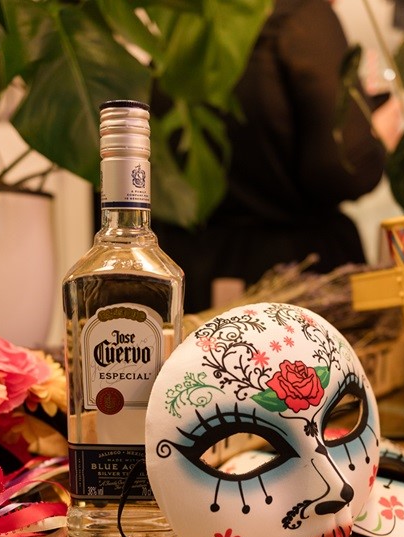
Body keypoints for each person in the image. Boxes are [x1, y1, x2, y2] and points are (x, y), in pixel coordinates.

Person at [153, 0, 386, 313]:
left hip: (185, 275)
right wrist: (380, 136)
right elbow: (345, 169)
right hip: (295, 283)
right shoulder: (300, 18)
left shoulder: (178, 19)